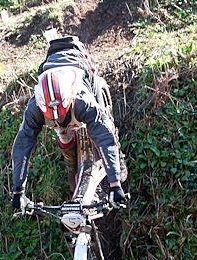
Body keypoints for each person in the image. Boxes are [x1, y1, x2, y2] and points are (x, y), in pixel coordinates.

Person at [11, 36, 128, 210]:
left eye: (61, 115)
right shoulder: (34, 107)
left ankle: (120, 163)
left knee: (104, 125)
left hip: (78, 67)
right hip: (53, 72)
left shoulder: (83, 101)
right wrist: (18, 191)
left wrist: (115, 184)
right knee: (64, 137)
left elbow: (104, 137)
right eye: (53, 116)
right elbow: (23, 145)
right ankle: (71, 168)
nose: (57, 119)